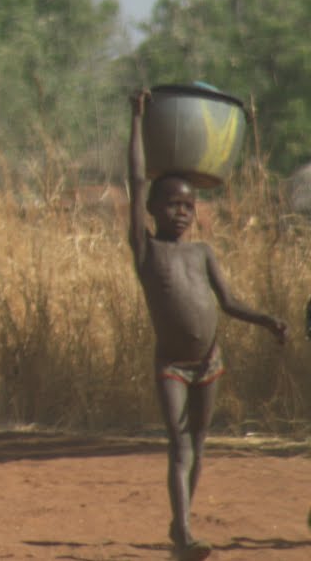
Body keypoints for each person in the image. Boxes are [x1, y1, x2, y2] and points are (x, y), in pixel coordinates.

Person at [127, 90, 287, 561]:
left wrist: (266, 320)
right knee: (179, 446)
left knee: (198, 444)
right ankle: (185, 532)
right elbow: (136, 179)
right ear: (153, 210)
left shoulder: (202, 254)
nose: (182, 212)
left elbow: (231, 302)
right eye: (172, 204)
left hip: (210, 362)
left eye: (189, 206)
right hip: (173, 365)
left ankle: (183, 524)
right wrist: (136, 118)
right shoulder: (146, 251)